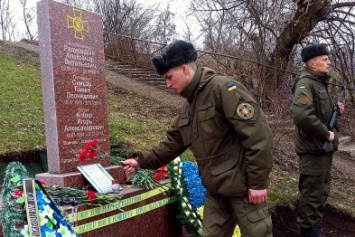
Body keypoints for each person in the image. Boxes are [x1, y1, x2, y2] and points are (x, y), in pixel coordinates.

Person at [121, 40, 273, 237]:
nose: (167, 84)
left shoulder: (223, 89)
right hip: (216, 193)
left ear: (184, 69)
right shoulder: (189, 107)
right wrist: (140, 160)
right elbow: (172, 143)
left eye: (169, 77)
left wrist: (257, 183)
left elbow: (258, 137)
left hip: (243, 191)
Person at [291, 43, 345, 237]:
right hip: (313, 147)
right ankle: (307, 231)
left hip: (322, 148)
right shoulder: (305, 84)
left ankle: (312, 225)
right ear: (312, 64)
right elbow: (302, 115)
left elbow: (318, 111)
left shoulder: (319, 83)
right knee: (312, 190)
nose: (329, 62)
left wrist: (335, 108)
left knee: (322, 188)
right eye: (325, 59)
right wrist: (326, 133)